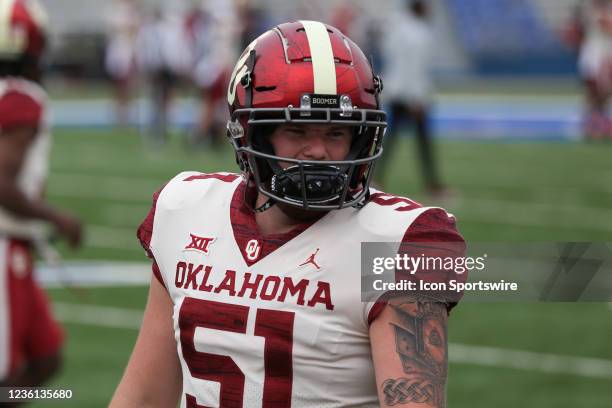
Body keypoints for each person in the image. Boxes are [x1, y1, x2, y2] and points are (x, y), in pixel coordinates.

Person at [111, 20, 464, 408]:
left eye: (335, 133)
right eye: (297, 131)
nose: (317, 152)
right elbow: (143, 396)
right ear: (250, 135)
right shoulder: (185, 208)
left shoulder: (398, 242)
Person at [0, 0, 82, 397]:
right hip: (3, 246)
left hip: (16, 246)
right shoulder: (22, 97)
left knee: (45, 358)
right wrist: (56, 217)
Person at [377, 0, 446, 197]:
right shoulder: (418, 33)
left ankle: (377, 178)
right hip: (411, 95)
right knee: (422, 142)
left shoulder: (396, 29)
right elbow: (413, 69)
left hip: (396, 92)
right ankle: (433, 185)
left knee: (391, 140)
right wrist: (416, 97)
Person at [565, 0, 612, 140]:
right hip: (594, 52)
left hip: (604, 51)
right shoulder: (586, 8)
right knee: (593, 91)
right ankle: (592, 124)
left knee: (604, 92)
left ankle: (599, 123)